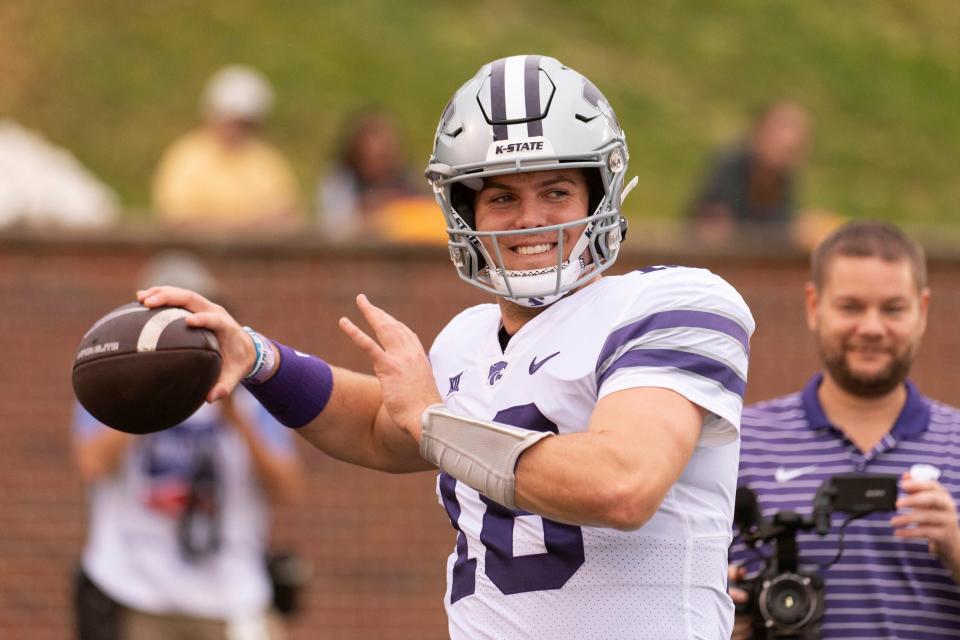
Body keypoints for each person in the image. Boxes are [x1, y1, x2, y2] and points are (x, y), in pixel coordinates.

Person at [139, 55, 754, 639]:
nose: (530, 219)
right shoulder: (466, 339)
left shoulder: (673, 304)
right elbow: (383, 429)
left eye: (556, 192)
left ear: (599, 197)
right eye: (503, 197)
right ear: (466, 213)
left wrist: (434, 420)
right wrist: (258, 357)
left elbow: (623, 484)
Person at [729, 221, 960, 639]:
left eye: (893, 309)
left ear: (922, 311)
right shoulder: (739, 443)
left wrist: (955, 545)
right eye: (851, 306)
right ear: (814, 306)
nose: (871, 328)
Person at [72, 252, 304, 640]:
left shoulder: (249, 393)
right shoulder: (111, 385)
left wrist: (235, 417)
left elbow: (288, 486)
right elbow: (91, 464)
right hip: (139, 591)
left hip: (232, 593)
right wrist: (144, 402)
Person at [151, 65, 303, 233]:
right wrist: (247, 225)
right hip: (196, 255)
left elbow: (289, 215)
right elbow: (175, 219)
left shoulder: (266, 160)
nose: (234, 129)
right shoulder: (186, 156)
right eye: (229, 121)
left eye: (243, 123)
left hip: (255, 256)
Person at [688, 100, 811, 247]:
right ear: (758, 135)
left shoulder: (783, 178)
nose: (785, 155)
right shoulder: (730, 168)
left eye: (793, 150)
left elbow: (781, 224)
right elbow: (712, 230)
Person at [315, 109, 441, 244]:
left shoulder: (407, 180)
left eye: (382, 157)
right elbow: (334, 228)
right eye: (367, 157)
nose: (376, 165)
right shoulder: (341, 182)